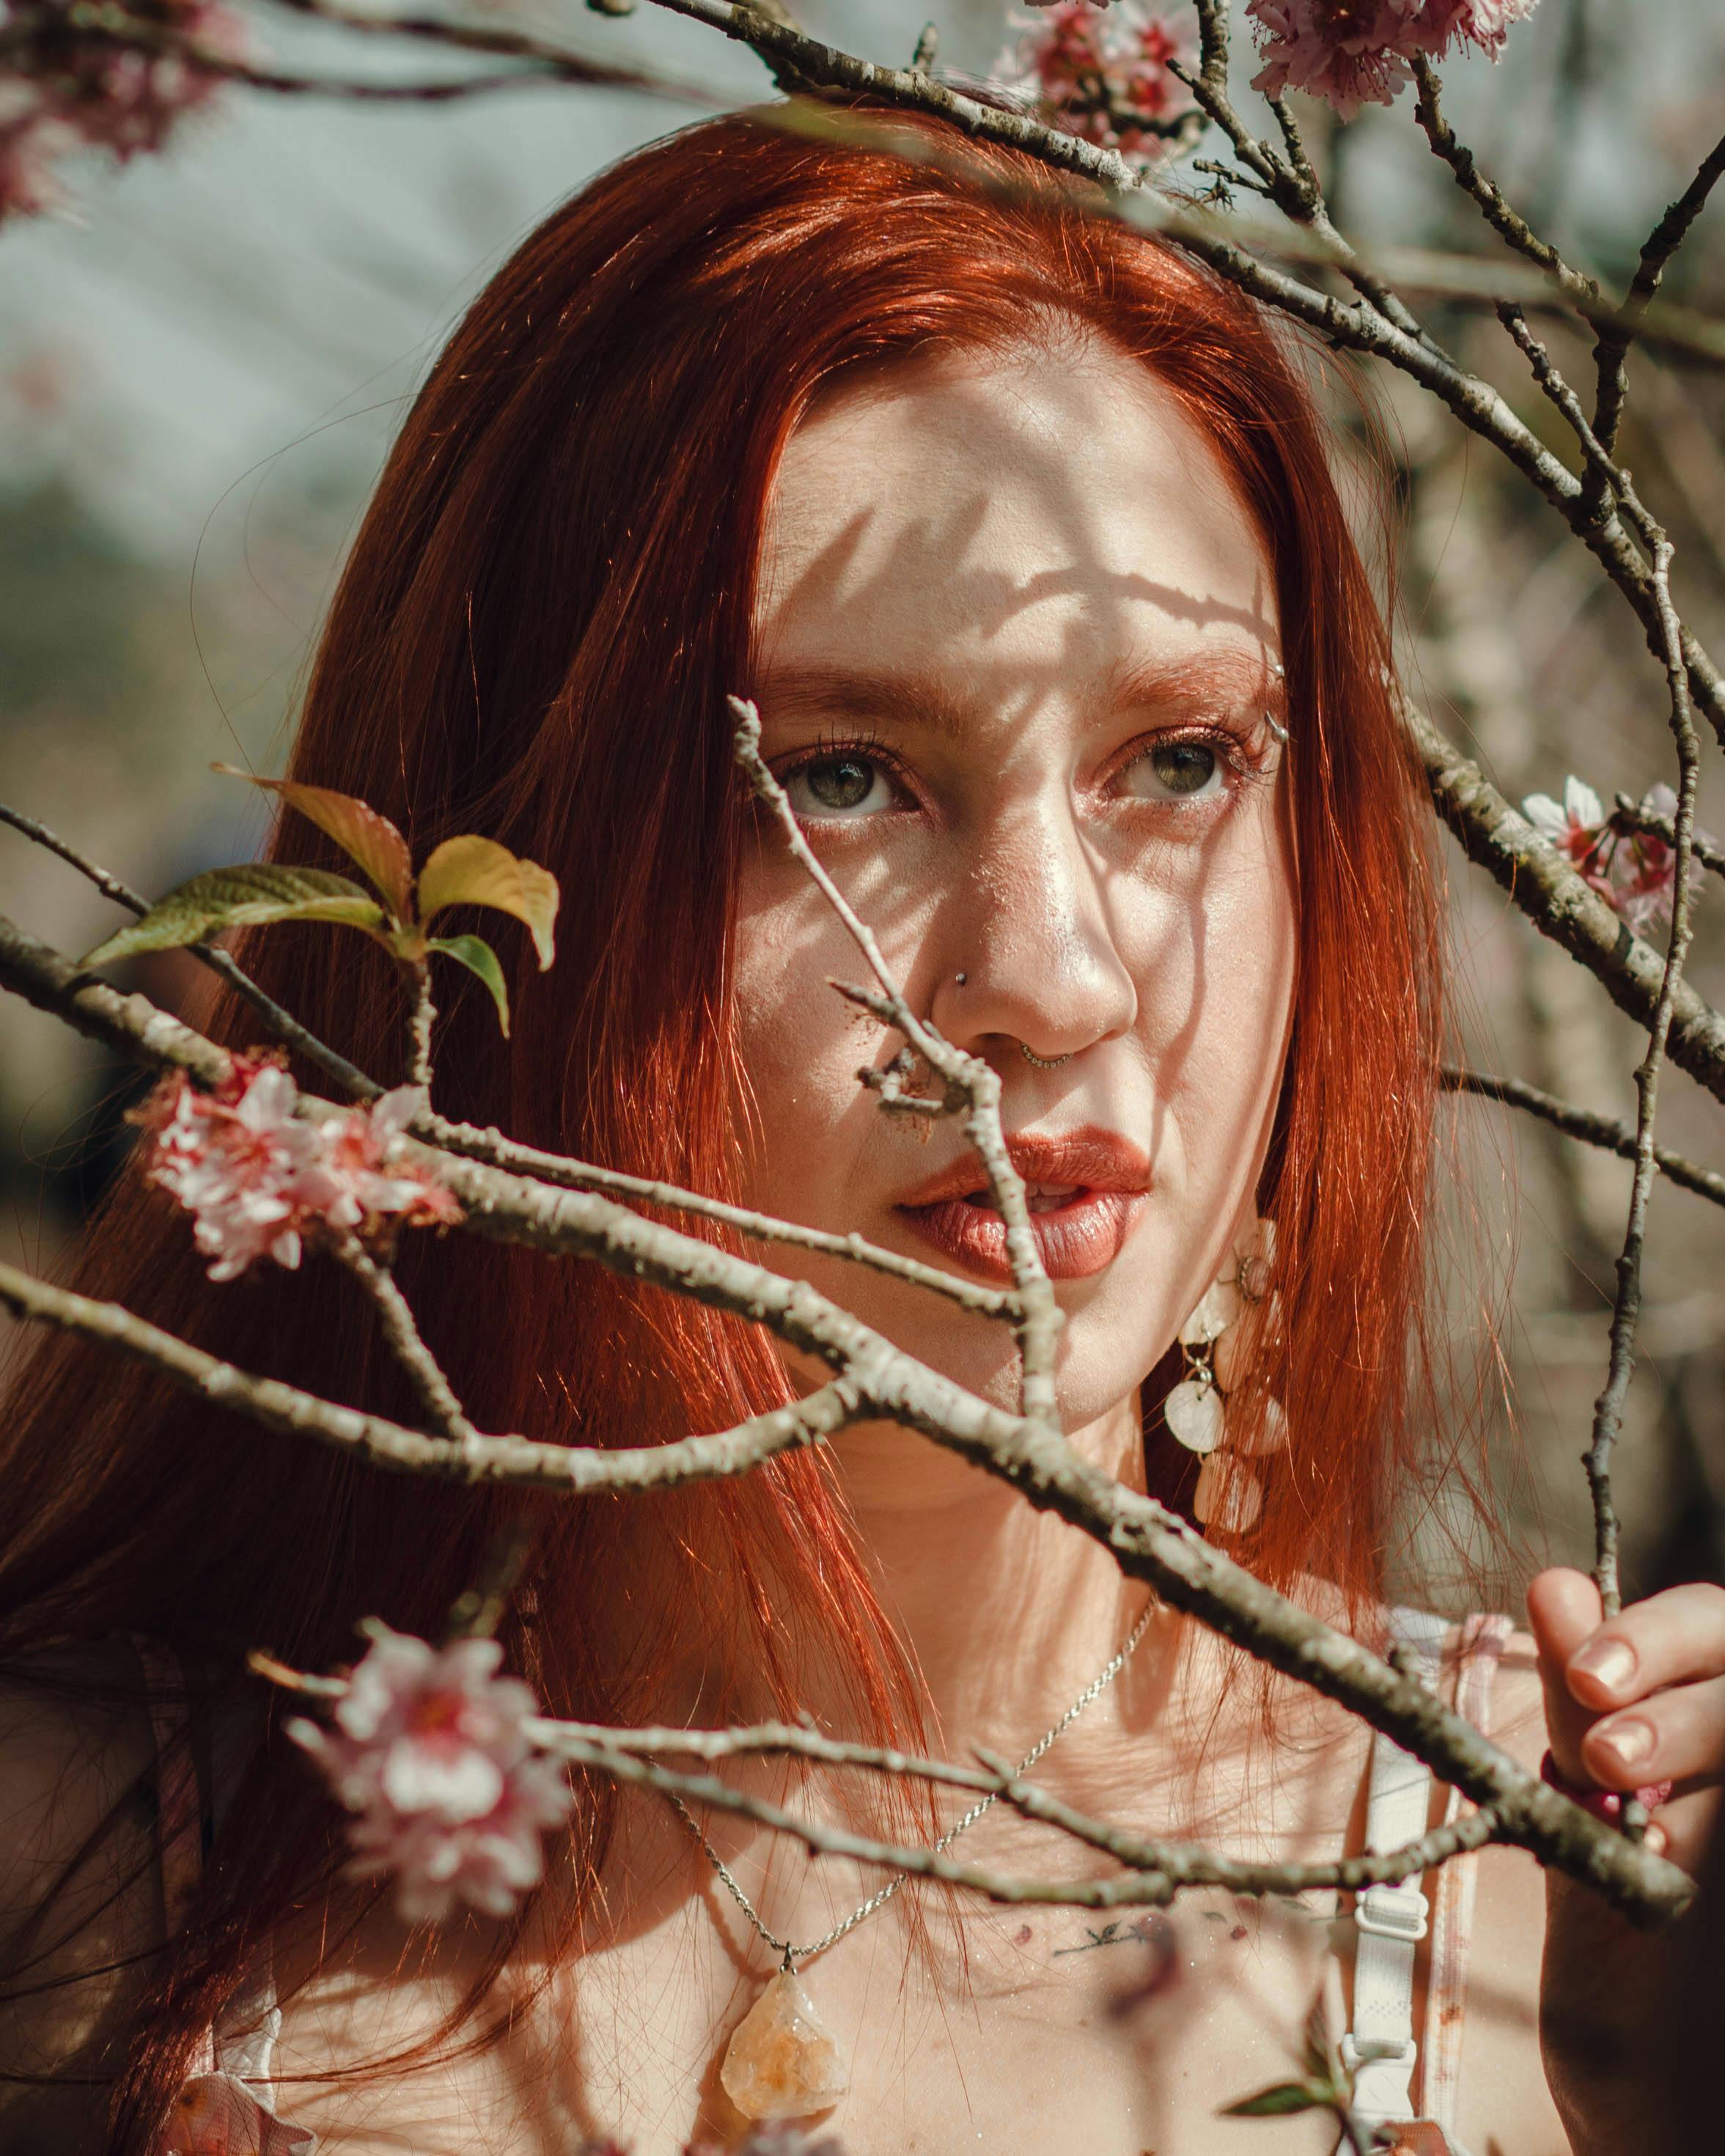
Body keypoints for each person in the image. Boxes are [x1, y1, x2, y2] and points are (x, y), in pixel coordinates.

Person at [0, 102, 1719, 2156]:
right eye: (832, 780)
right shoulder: (82, 1871)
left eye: (1175, 759)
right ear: (495, 879)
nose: (1055, 981)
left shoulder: (1526, 1898)